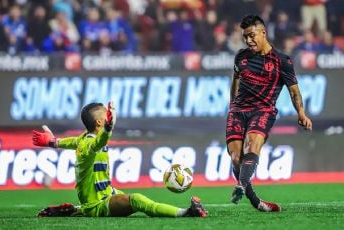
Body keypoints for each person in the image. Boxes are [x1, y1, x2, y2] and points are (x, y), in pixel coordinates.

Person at [32, 102, 207, 218]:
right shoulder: (90, 144)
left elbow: (71, 141)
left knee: (129, 198)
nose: (109, 114)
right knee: (137, 199)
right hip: (98, 204)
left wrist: (52, 142)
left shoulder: (84, 137)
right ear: (100, 122)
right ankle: (186, 213)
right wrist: (108, 129)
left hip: (108, 192)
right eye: (105, 114)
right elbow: (100, 142)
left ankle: (75, 211)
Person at [226, 15, 313, 212]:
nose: (249, 41)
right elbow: (235, 81)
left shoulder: (282, 60)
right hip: (238, 111)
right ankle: (257, 202)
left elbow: (294, 91)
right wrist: (232, 106)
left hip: (263, 110)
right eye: (245, 37)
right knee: (235, 158)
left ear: (263, 32)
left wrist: (301, 113)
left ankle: (241, 184)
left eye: (252, 35)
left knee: (251, 145)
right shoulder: (241, 56)